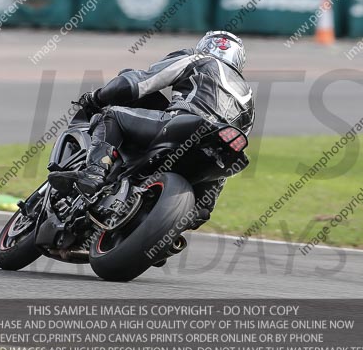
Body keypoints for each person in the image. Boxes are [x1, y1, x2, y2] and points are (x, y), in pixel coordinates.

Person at [48, 30, 255, 227]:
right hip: (213, 154)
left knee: (111, 116)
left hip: (183, 125)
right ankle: (178, 220)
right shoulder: (249, 100)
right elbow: (230, 152)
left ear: (204, 46)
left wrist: (96, 97)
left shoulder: (198, 59)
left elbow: (139, 83)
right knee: (221, 162)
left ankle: (94, 173)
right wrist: (206, 204)